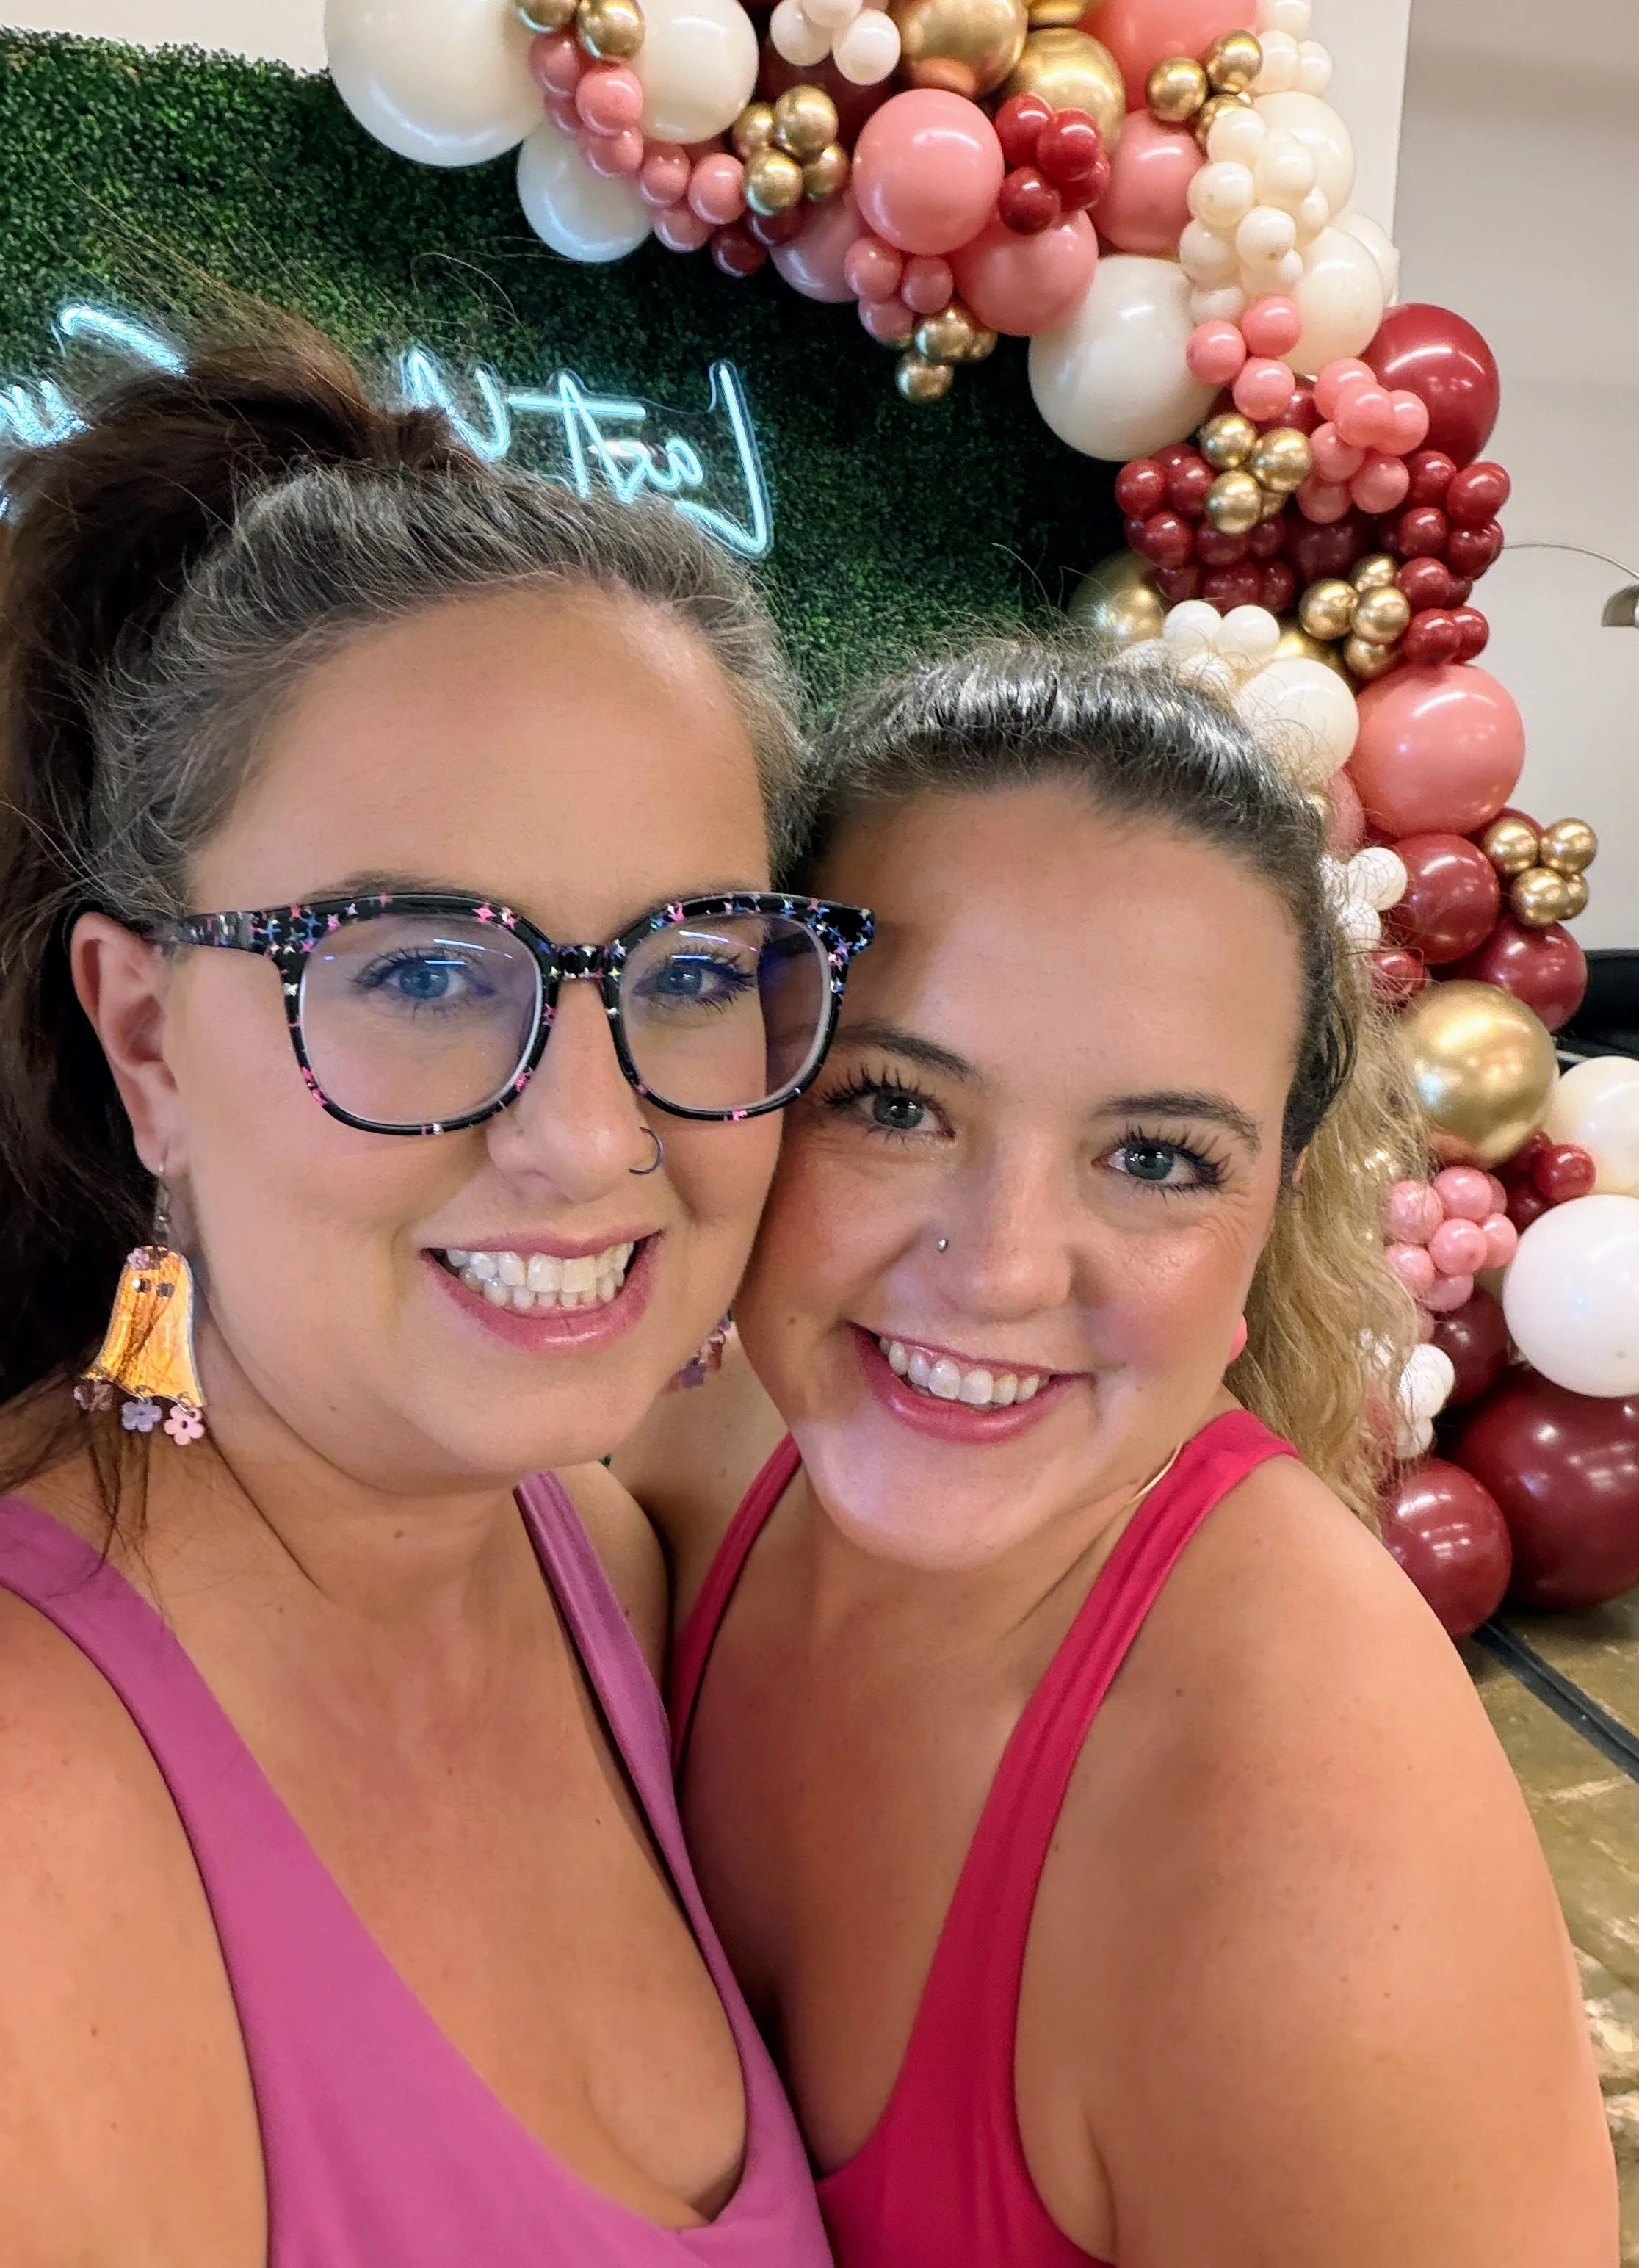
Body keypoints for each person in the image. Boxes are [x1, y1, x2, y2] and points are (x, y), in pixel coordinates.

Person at [0, 319, 865, 2266]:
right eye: (408, 969)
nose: (586, 1134)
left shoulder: (589, 1562)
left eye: (692, 965)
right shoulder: (32, 1818)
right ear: (144, 1042)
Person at [620, 645, 1619, 2268]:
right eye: (895, 1102)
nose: (1006, 1266)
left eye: (1155, 1156)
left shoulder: (1316, 1877)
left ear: (1268, 1216)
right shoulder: (688, 1454)